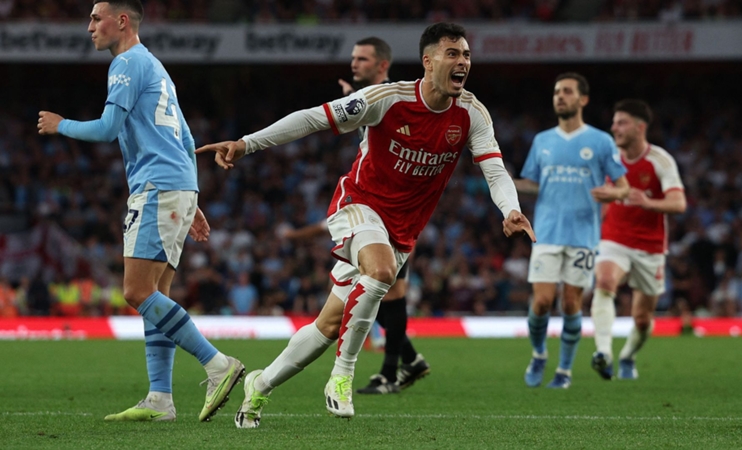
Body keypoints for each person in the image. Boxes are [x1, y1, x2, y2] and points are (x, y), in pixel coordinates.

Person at [196, 22, 534, 426]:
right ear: (428, 62)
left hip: (402, 229)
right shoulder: (386, 99)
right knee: (382, 271)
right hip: (358, 205)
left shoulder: (472, 114)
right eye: (453, 54)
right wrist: (247, 143)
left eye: (466, 55)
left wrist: (509, 209)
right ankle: (343, 376)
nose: (463, 62)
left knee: (328, 323)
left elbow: (494, 170)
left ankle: (260, 385)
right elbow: (312, 119)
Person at [36, 0, 244, 422]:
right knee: (156, 296)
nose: (89, 27)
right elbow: (185, 138)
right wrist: (193, 199)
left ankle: (217, 364)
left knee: (135, 291)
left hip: (157, 188)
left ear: (122, 21)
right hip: (176, 187)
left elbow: (108, 129)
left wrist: (63, 125)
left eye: (96, 18)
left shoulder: (127, 64)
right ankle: (160, 399)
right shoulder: (155, 65)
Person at [281, 36, 431, 395]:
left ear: (382, 65)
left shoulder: (392, 99)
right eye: (353, 58)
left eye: (362, 59)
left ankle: (396, 369)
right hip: (377, 210)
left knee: (386, 295)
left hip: (394, 213)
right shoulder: (368, 99)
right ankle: (404, 365)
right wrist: (352, 96)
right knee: (381, 293)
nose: (354, 63)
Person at [515, 72, 629, 389]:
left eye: (566, 91)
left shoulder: (600, 141)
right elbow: (533, 184)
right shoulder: (542, 141)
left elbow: (624, 187)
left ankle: (564, 371)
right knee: (541, 302)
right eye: (556, 92)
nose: (560, 97)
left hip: (582, 236)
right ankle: (539, 354)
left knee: (570, 303)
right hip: (547, 233)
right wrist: (503, 182)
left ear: (583, 99)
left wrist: (613, 193)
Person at [590, 99, 686, 380]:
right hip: (614, 238)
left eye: (621, 122)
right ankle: (603, 352)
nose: (614, 128)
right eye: (614, 122)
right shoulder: (609, 158)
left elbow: (678, 203)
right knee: (605, 281)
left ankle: (627, 356)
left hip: (650, 246)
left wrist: (647, 202)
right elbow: (602, 197)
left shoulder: (660, 160)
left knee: (642, 319)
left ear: (640, 127)